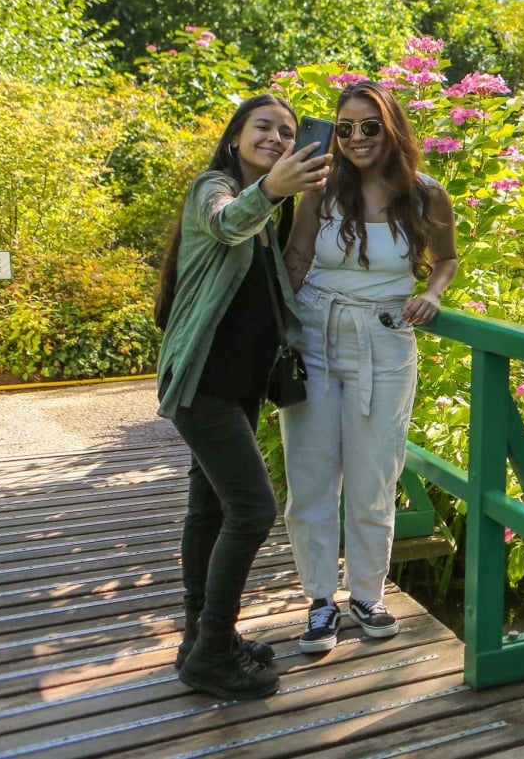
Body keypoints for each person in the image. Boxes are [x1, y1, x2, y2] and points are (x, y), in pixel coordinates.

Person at [155, 93, 331, 699]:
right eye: (264, 128)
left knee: (208, 513)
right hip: (202, 387)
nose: (278, 139)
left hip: (237, 388)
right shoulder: (215, 189)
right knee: (252, 511)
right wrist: (276, 190)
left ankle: (201, 639)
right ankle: (210, 655)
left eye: (288, 132)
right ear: (235, 138)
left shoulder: (267, 216)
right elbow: (227, 221)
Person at [281, 79, 456, 653]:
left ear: (392, 129)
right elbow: (299, 257)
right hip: (316, 331)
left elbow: (446, 258)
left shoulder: (424, 193)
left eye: (369, 126)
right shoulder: (322, 185)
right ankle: (317, 602)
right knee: (309, 474)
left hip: (385, 337)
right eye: (345, 127)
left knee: (374, 472)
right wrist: (277, 332)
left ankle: (367, 594)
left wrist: (432, 291)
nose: (356, 138)